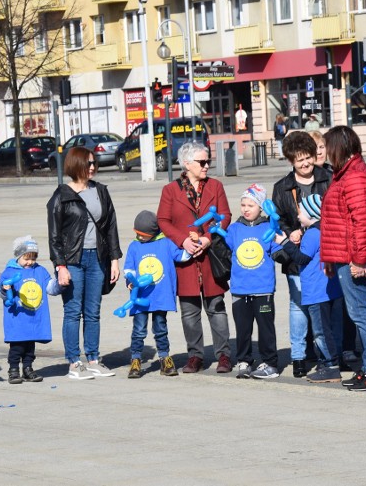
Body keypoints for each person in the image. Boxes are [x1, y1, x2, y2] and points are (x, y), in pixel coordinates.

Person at [158, 142, 233, 374]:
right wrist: (184, 240)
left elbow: (225, 215)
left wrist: (208, 237)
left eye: (208, 161)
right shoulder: (170, 190)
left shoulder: (215, 186)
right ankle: (195, 356)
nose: (207, 166)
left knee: (216, 307)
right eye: (202, 162)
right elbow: (163, 221)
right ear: (187, 164)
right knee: (189, 311)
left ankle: (223, 355)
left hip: (211, 257)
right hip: (185, 259)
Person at [47, 147, 121, 381]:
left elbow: (110, 227)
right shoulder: (61, 195)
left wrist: (115, 259)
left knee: (93, 312)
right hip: (73, 260)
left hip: (97, 258)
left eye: (94, 163)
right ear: (75, 164)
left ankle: (94, 360)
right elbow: (54, 236)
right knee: (72, 312)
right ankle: (74, 362)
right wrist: (61, 266)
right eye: (87, 163)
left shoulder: (101, 191)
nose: (92, 167)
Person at [320, 125, 366, 392]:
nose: (323, 152)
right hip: (343, 255)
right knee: (359, 312)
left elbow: (362, 222)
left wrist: (359, 260)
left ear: (339, 147)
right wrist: (329, 257)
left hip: (352, 258)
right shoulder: (344, 173)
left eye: (326, 147)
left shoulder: (354, 176)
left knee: (361, 313)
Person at [271, 132, 332, 378]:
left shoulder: (328, 178)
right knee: (298, 306)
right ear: (290, 162)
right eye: (299, 161)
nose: (306, 164)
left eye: (308, 158)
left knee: (323, 307)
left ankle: (326, 355)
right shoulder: (282, 188)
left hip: (325, 254)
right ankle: (298, 356)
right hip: (296, 256)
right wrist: (291, 232)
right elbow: (278, 221)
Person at [277, 194, 344, 384]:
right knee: (328, 328)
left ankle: (331, 366)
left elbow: (301, 258)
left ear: (312, 214)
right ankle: (325, 362)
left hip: (316, 291)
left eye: (301, 212)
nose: (298, 216)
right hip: (329, 289)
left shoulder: (313, 234)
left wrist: (284, 242)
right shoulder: (325, 230)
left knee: (321, 331)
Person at [123, 211, 191, 379]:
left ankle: (164, 358)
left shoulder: (166, 243)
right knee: (139, 330)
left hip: (160, 295)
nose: (139, 237)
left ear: (153, 233)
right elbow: (129, 269)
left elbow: (181, 255)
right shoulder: (134, 246)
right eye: (137, 234)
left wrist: (193, 245)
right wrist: (130, 280)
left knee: (161, 328)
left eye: (143, 235)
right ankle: (136, 359)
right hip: (141, 298)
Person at [227, 184, 285, 380]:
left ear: (261, 207)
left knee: (265, 328)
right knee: (243, 329)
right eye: (243, 204)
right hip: (239, 289)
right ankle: (244, 360)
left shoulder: (268, 228)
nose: (246, 209)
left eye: (251, 205)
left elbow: (278, 253)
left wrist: (285, 245)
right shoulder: (234, 228)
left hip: (262, 289)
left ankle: (270, 362)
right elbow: (225, 251)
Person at [0, 236, 59, 385]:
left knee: (30, 348)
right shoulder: (9, 272)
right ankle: (13, 370)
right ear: (19, 256)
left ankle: (27, 368)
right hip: (18, 318)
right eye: (26, 258)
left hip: (33, 317)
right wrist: (6, 290)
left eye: (33, 258)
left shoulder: (40, 270)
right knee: (17, 347)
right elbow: (1, 292)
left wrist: (60, 282)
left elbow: (50, 288)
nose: (30, 262)